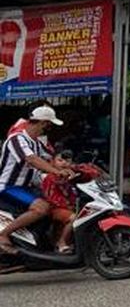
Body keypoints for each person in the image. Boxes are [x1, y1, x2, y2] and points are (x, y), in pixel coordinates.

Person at [0, 106, 73, 253]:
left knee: (56, 206)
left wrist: (72, 169)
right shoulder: (17, 139)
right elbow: (32, 159)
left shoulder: (37, 143)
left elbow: (51, 159)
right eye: (49, 125)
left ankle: (51, 243)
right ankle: (3, 235)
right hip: (9, 187)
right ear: (43, 123)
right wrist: (55, 171)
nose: (49, 129)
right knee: (42, 208)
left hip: (26, 188)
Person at [40, 150, 97, 254]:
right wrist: (68, 205)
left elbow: (90, 175)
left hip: (68, 206)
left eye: (67, 161)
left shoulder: (72, 175)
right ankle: (61, 242)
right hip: (54, 207)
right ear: (52, 162)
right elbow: (50, 197)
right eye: (60, 160)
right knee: (74, 218)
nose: (64, 163)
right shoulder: (50, 177)